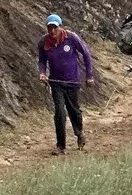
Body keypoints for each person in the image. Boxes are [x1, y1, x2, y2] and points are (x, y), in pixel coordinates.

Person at [37, 12, 96, 154]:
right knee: (59, 112)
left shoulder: (71, 38)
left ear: (61, 27)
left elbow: (86, 54)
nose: (52, 31)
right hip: (56, 83)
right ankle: (61, 146)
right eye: (49, 28)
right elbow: (41, 61)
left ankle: (79, 133)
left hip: (72, 81)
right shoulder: (43, 42)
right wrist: (42, 73)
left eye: (55, 28)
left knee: (74, 110)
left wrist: (89, 75)